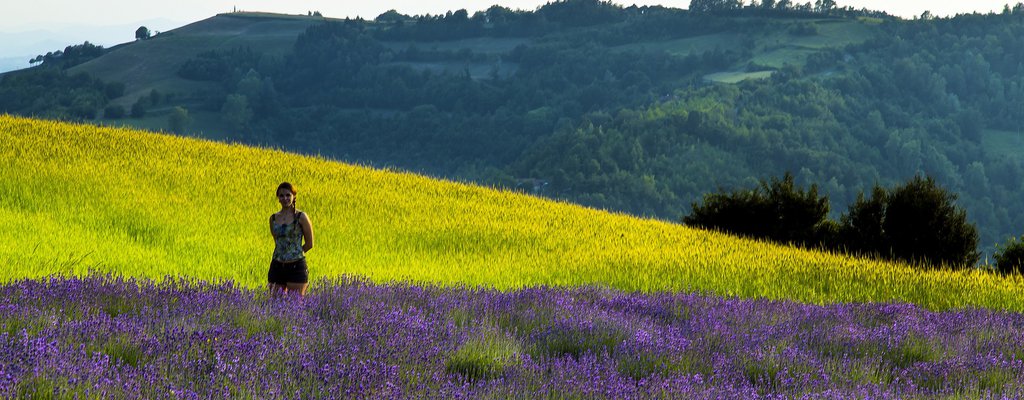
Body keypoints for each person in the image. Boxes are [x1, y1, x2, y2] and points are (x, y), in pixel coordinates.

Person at [269, 182, 314, 296]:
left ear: (294, 196)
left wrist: (295, 253)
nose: (285, 198)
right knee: (275, 305)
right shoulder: (273, 219)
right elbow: (277, 242)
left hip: (296, 267)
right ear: (278, 198)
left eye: (288, 195)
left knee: (295, 306)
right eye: (281, 195)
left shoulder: (301, 217)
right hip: (277, 266)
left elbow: (309, 244)